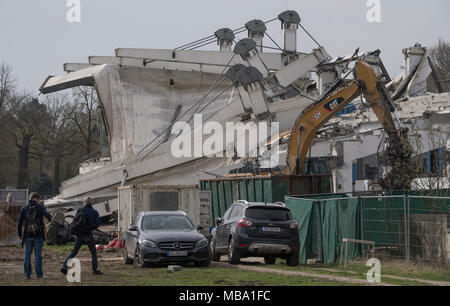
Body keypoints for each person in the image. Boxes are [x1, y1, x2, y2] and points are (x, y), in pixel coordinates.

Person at [60, 197, 103, 275]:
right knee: (93, 252)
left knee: (74, 251)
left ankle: (65, 266)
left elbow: (76, 221)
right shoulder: (94, 212)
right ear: (91, 203)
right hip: (88, 234)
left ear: (84, 202)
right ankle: (94, 269)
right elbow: (97, 224)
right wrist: (91, 227)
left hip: (79, 234)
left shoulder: (80, 210)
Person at [17, 192, 52, 280]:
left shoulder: (24, 208)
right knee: (38, 255)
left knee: (27, 255)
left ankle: (27, 275)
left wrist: (19, 234)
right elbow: (49, 217)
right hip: (38, 235)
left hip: (27, 235)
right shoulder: (40, 207)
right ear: (36, 198)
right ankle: (39, 275)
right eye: (39, 199)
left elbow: (19, 223)